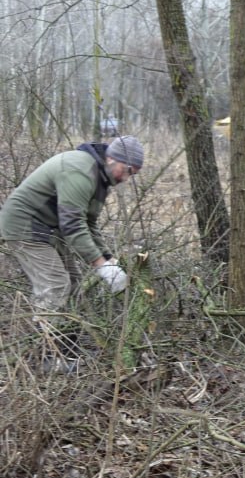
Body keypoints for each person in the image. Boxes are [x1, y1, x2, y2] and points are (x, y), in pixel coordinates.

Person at [0, 136, 143, 366]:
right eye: (126, 170)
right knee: (55, 284)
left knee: (74, 283)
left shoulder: (101, 178)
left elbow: (89, 223)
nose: (126, 178)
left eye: (133, 174)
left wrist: (109, 260)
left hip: (49, 227)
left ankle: (67, 348)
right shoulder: (80, 171)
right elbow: (73, 224)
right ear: (111, 159)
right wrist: (99, 265)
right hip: (24, 225)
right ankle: (50, 356)